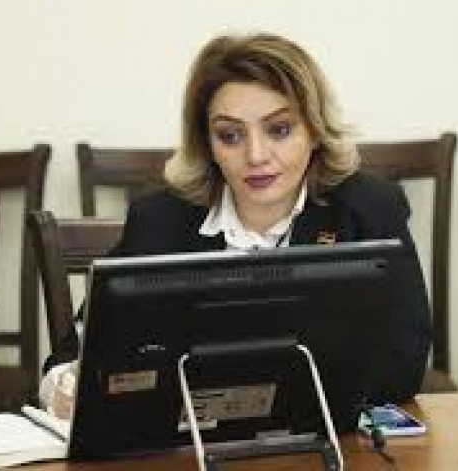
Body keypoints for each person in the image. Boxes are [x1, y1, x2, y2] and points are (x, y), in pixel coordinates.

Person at [40, 32, 432, 419]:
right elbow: (69, 358)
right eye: (230, 135)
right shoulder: (159, 220)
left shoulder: (367, 210)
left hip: (322, 437)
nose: (256, 155)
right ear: (207, 144)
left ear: (314, 131)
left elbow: (404, 363)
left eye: (279, 130)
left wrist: (261, 397)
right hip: (189, 442)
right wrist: (66, 388)